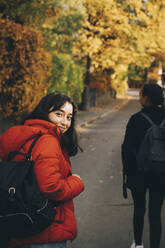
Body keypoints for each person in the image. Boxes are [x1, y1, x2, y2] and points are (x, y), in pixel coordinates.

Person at [0, 92, 85, 248]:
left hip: (17, 222)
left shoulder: (24, 135)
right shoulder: (48, 141)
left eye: (69, 117)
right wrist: (77, 182)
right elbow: (52, 189)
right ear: (44, 112)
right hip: (45, 228)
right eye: (59, 114)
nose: (64, 122)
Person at [122, 84, 165, 248]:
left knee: (139, 209)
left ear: (146, 98)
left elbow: (127, 148)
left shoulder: (136, 119)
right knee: (155, 213)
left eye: (140, 95)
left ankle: (138, 243)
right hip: (161, 172)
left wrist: (127, 174)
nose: (139, 98)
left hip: (139, 173)